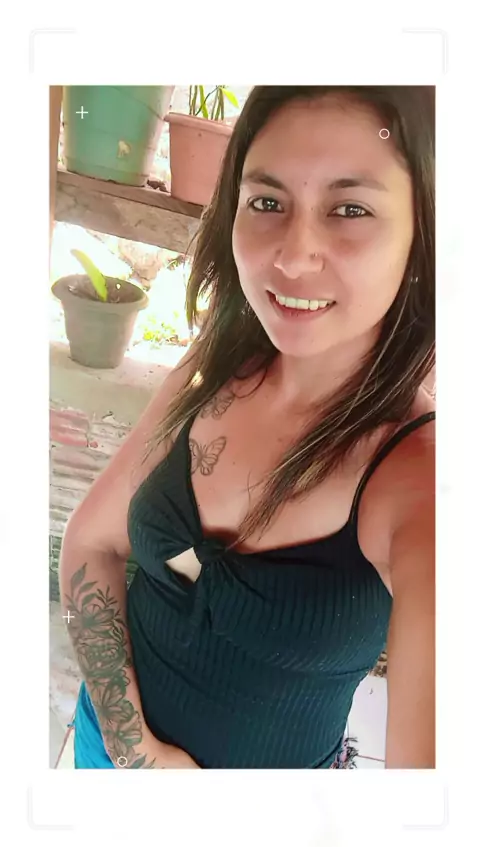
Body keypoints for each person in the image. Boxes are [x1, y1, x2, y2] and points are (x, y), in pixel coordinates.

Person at [60, 85, 435, 770]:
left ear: (424, 238)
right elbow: (91, 543)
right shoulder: (217, 363)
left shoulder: (422, 479)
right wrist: (132, 751)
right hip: (102, 747)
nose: (291, 256)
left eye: (351, 209)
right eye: (267, 201)